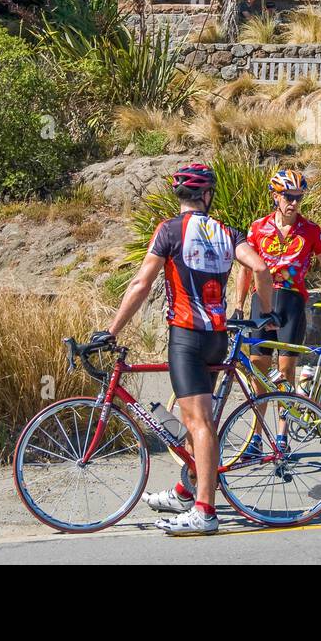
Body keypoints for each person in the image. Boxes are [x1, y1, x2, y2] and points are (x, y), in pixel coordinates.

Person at [100, 162, 278, 535]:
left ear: (180, 195)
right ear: (207, 196)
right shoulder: (228, 232)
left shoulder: (169, 231)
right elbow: (261, 269)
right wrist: (269, 315)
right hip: (217, 337)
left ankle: (205, 511)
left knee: (199, 424)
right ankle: (186, 491)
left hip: (185, 337)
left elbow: (140, 284)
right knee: (199, 422)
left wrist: (111, 330)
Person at [237, 171, 321, 433]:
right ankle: (255, 436)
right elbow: (244, 269)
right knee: (259, 372)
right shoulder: (257, 227)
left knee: (285, 373)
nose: (294, 203)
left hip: (292, 303)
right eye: (289, 197)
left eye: (299, 198)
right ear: (275, 196)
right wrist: (238, 305)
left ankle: (282, 436)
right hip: (260, 301)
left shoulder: (310, 230)